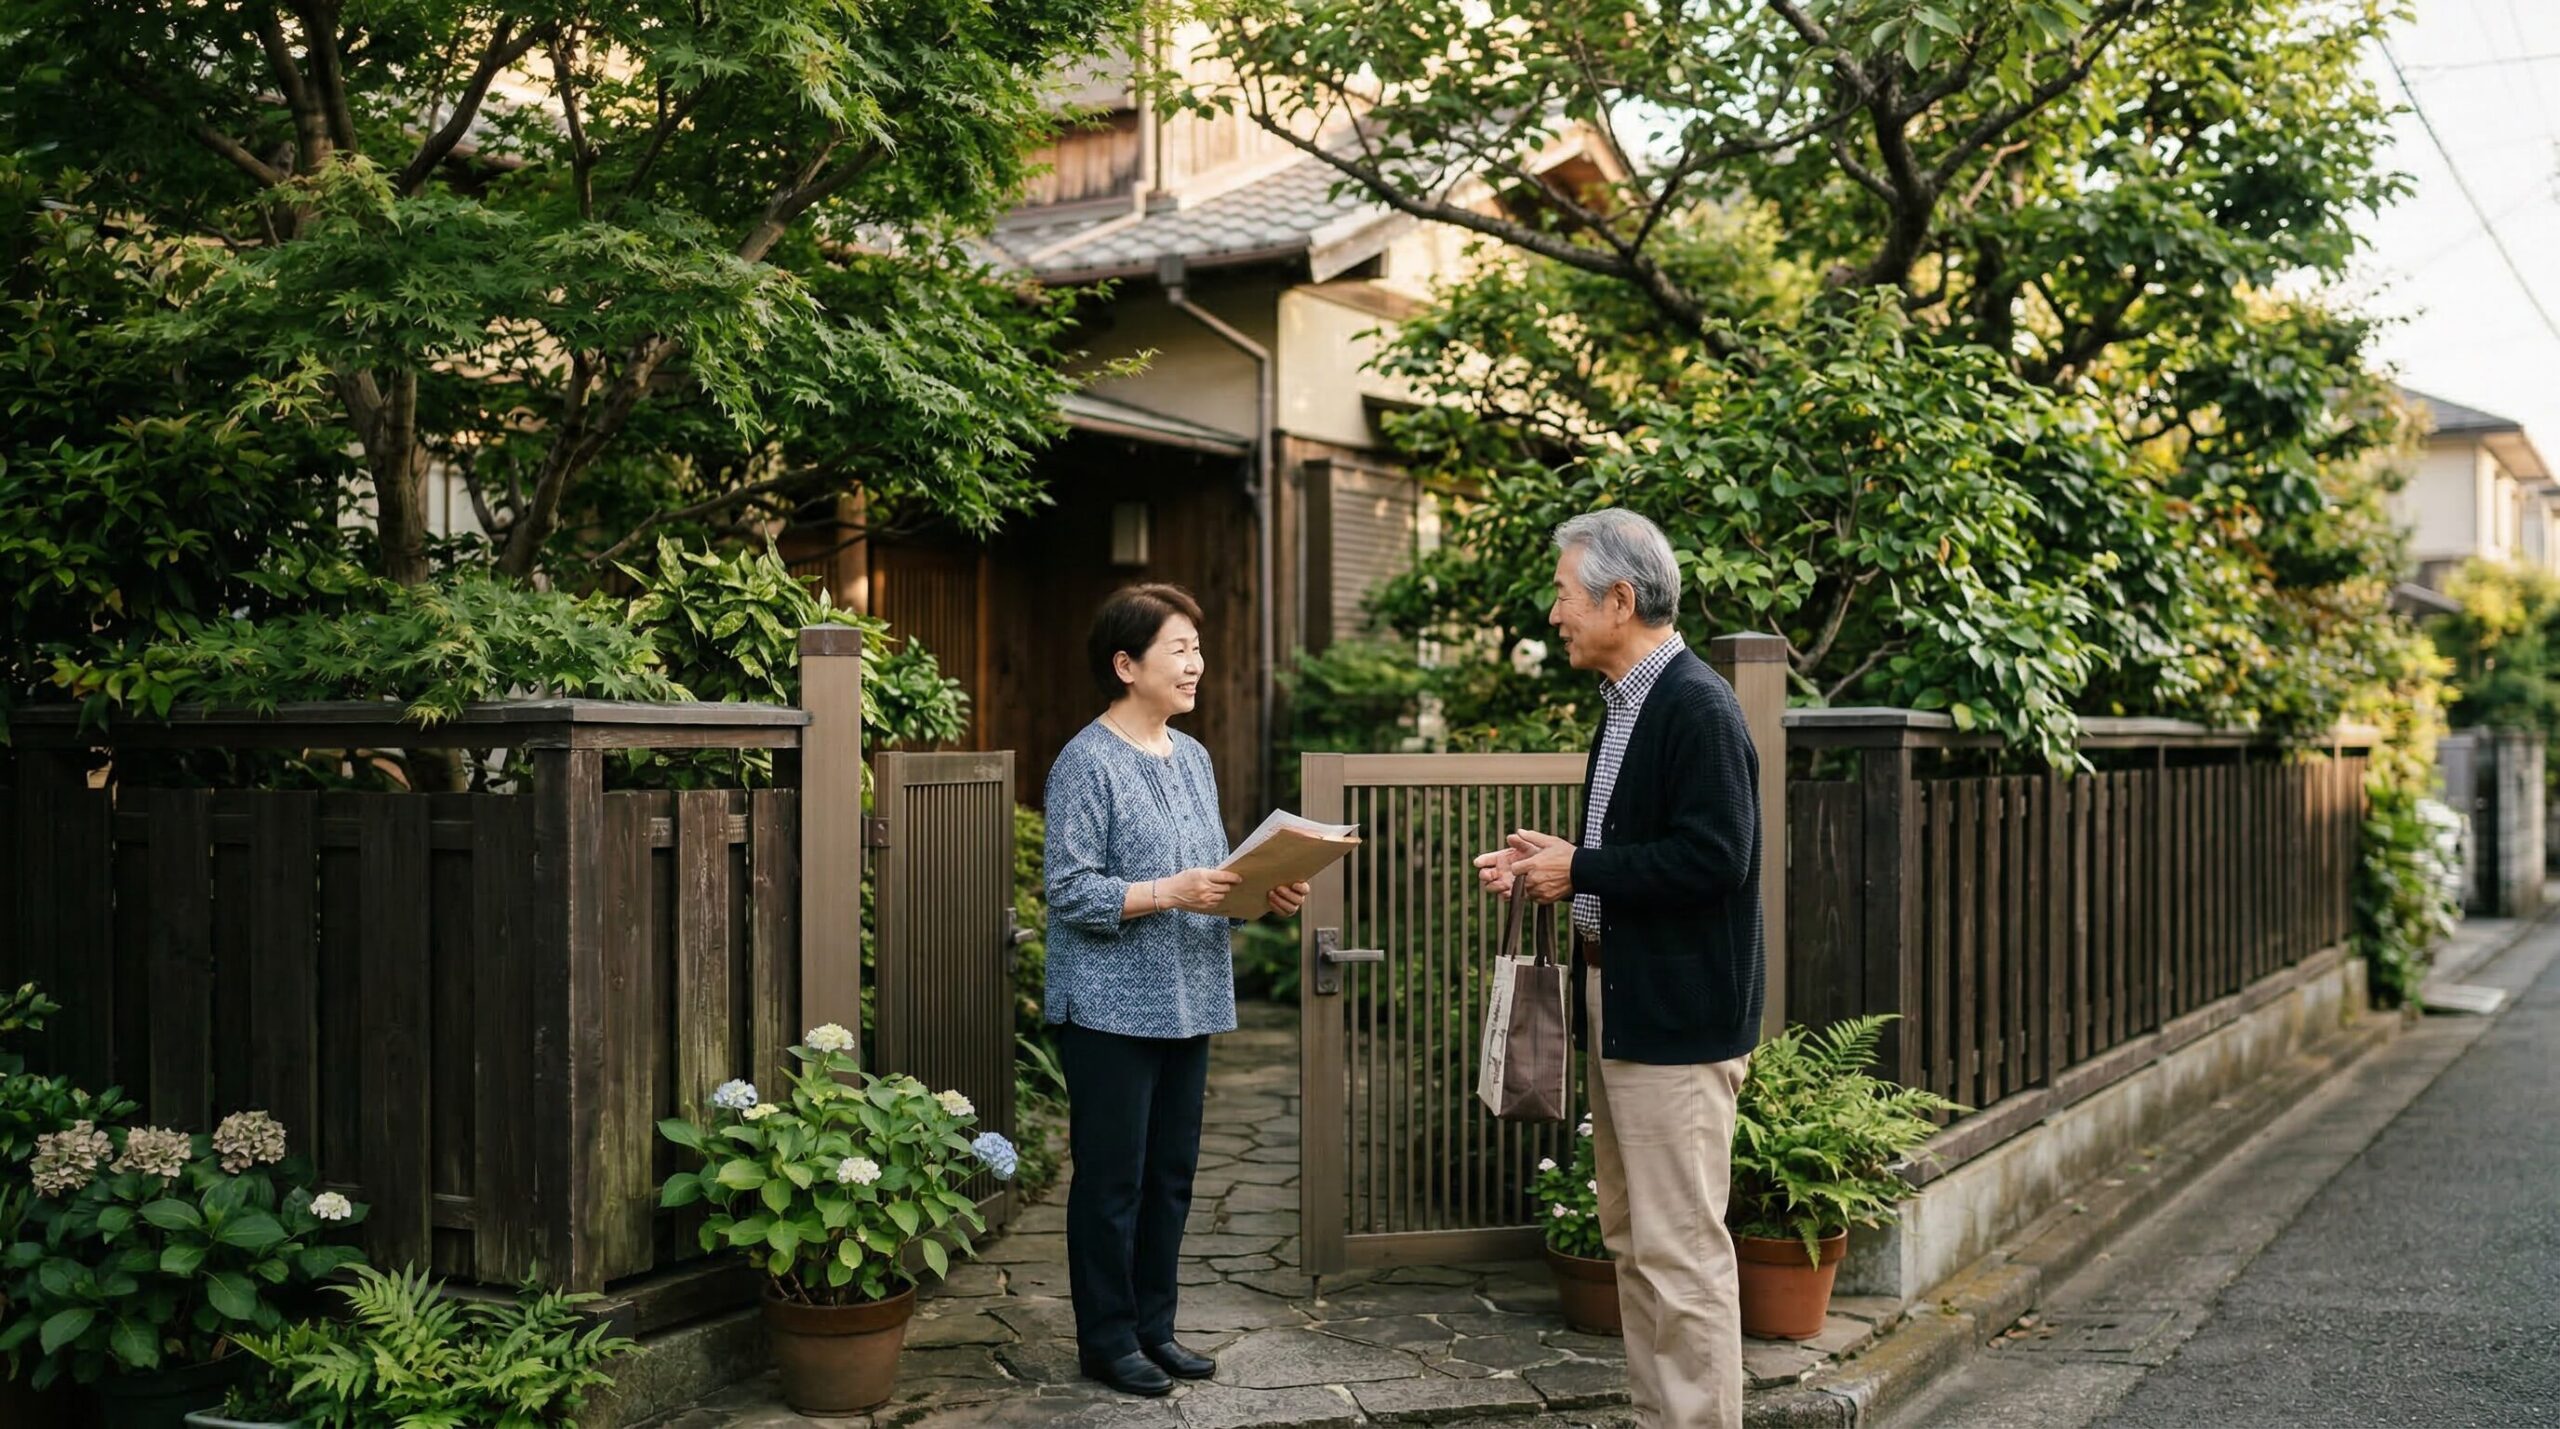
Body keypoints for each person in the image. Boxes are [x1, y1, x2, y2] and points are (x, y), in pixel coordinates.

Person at [1472, 509, 1765, 1429]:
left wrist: (1584, 865)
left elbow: (1718, 855)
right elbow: (1643, 852)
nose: (1554, 613)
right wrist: (1551, 866)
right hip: (1629, 1002)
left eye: (1564, 594)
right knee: (1636, 1243)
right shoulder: (1632, 701)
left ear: (1620, 598)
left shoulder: (1696, 704)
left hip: (1677, 1023)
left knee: (1680, 1254)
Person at [1042, 582, 1310, 1398]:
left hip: (1189, 999)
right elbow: (1070, 889)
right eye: (1179, 650)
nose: (1196, 664)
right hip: (1110, 1008)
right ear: (1126, 665)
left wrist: (1259, 894)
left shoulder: (1190, 757)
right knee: (1113, 1179)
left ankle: (1156, 1326)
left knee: (1171, 1176)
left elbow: (1211, 881)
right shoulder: (1084, 760)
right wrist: (1166, 890)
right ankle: (1108, 1338)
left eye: (1197, 647)